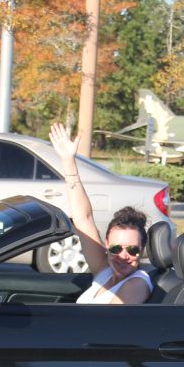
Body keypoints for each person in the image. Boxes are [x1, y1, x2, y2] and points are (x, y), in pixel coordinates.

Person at [49, 121, 153, 305]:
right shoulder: (105, 272)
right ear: (106, 245)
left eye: (132, 249)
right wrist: (68, 161)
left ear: (142, 250)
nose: (123, 256)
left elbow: (111, 325)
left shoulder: (137, 284)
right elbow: (83, 219)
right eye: (115, 248)